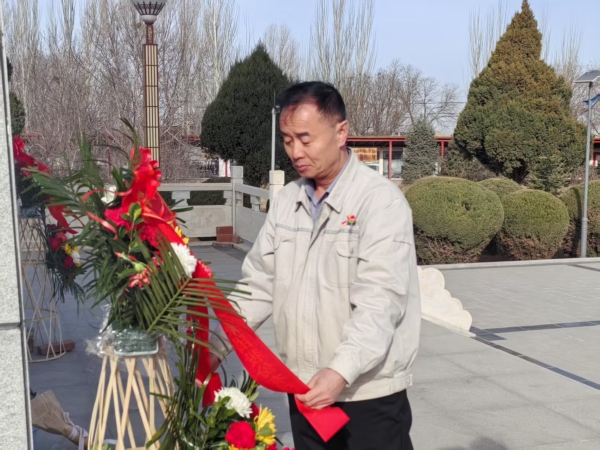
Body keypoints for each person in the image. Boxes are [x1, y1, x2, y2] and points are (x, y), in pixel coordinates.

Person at [209, 81, 421, 450]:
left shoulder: (379, 202)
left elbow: (381, 300)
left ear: (341, 132)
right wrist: (215, 343)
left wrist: (340, 371)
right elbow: (258, 284)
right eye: (288, 140)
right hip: (305, 389)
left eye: (305, 139)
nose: (295, 152)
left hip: (366, 393)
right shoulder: (287, 201)